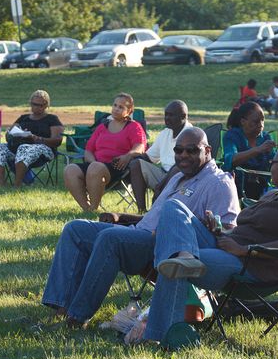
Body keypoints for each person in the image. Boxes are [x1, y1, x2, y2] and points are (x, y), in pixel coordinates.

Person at [41, 127, 240, 327]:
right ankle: (62, 307)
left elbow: (228, 230)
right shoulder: (179, 177)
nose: (183, 155)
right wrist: (123, 217)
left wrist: (213, 227)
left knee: (111, 238)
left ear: (208, 150)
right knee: (75, 229)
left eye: (192, 150)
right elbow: (154, 216)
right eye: (178, 150)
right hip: (137, 232)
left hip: (160, 246)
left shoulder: (218, 182)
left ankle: (77, 317)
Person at [143, 142, 278, 343]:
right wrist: (220, 229)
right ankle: (186, 257)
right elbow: (247, 229)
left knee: (174, 259)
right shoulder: (275, 193)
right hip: (229, 247)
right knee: (173, 207)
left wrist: (245, 250)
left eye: (273, 162)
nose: (270, 166)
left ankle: (159, 335)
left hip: (252, 265)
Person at [63, 93, 146, 211]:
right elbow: (88, 150)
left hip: (117, 165)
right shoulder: (102, 127)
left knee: (95, 168)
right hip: (96, 164)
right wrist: (92, 162)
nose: (116, 109)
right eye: (115, 105)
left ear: (129, 111)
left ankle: (93, 208)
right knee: (69, 170)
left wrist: (128, 156)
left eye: (121, 107)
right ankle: (87, 208)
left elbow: (140, 147)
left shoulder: (134, 127)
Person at [0, 90, 64, 188]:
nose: (36, 107)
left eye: (40, 105)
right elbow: (9, 135)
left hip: (43, 150)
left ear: (46, 105)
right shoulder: (23, 118)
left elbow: (57, 140)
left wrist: (37, 138)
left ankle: (17, 186)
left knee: (24, 148)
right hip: (18, 147)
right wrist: (14, 134)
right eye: (34, 104)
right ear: (30, 103)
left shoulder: (52, 119)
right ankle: (1, 185)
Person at [128, 100, 192, 212]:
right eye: (166, 114)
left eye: (171, 115)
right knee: (136, 164)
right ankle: (142, 211)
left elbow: (183, 166)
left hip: (184, 179)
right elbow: (148, 157)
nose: (166, 118)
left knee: (177, 169)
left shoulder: (192, 134)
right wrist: (128, 158)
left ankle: (157, 207)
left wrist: (162, 185)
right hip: (164, 175)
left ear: (183, 116)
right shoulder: (165, 133)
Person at [223, 102, 276, 199]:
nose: (261, 125)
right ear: (243, 121)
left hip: (263, 186)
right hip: (237, 185)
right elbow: (231, 160)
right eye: (256, 121)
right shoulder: (232, 136)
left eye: (263, 120)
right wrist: (258, 150)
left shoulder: (266, 138)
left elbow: (275, 162)